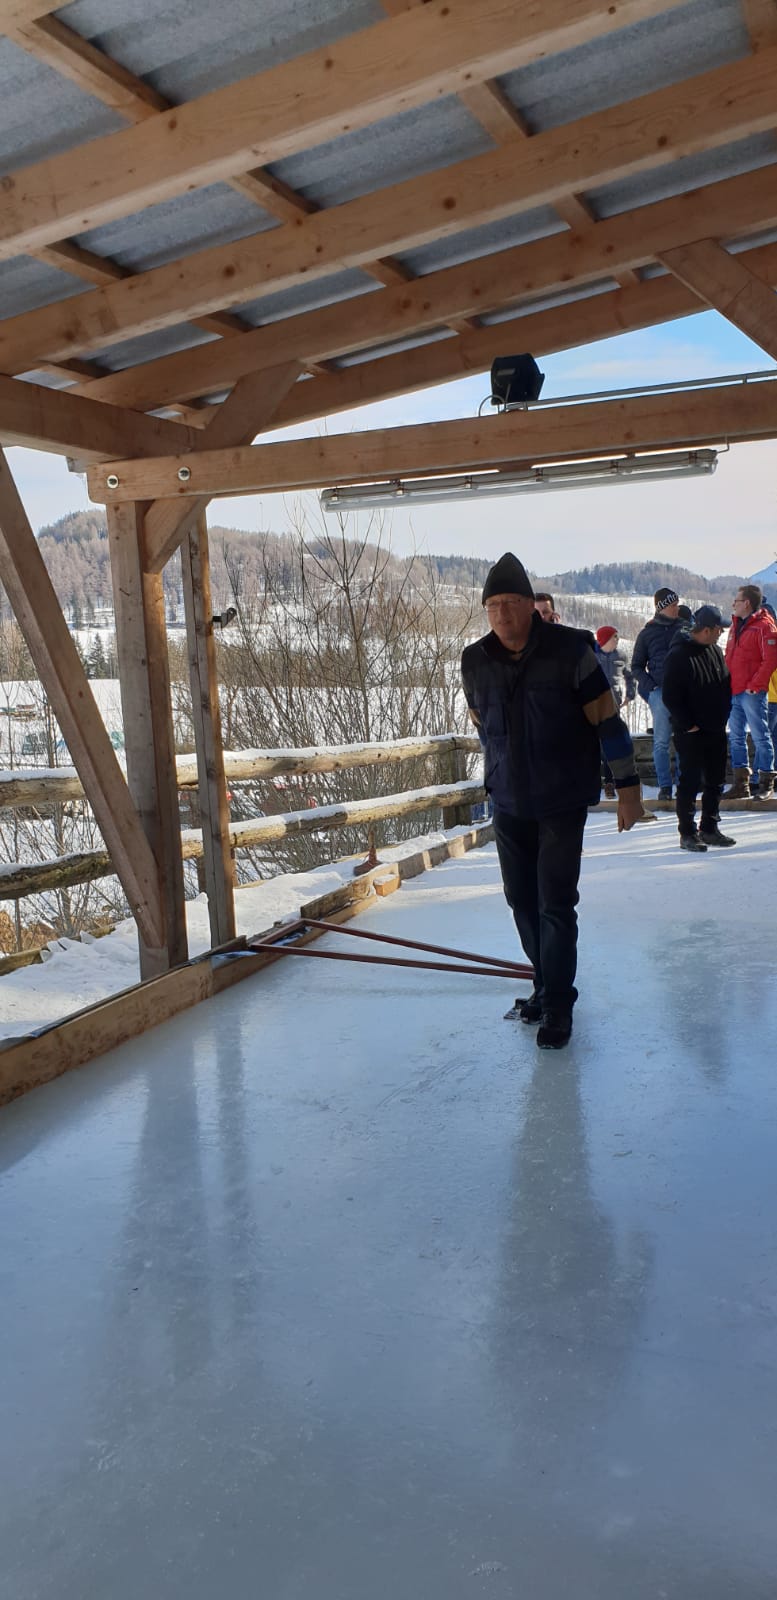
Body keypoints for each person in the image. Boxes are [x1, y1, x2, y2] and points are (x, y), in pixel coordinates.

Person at [461, 553, 642, 1051]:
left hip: (561, 798)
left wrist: (628, 790)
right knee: (521, 900)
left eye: (511, 602)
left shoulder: (570, 651)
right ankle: (544, 984)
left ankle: (559, 1004)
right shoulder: (474, 660)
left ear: (530, 605)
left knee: (555, 903)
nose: (502, 613)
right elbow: (483, 727)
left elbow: (607, 720)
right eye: (493, 605)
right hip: (508, 801)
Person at [661, 605, 735, 852]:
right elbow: (671, 696)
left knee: (716, 780)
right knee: (690, 782)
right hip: (691, 732)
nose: (721, 633)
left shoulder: (714, 650)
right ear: (706, 630)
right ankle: (688, 832)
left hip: (716, 727)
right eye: (718, 629)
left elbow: (724, 683)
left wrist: (723, 714)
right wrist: (688, 724)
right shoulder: (679, 655)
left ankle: (709, 828)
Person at [723, 583, 777, 799]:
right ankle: (741, 783)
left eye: (736, 601)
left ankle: (766, 782)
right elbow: (730, 656)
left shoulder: (765, 626)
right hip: (734, 689)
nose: (733, 604)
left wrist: (756, 685)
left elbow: (771, 659)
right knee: (736, 737)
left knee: (760, 735)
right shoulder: (735, 626)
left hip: (752, 693)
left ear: (746, 603)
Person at [631, 588, 685, 800]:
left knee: (683, 741)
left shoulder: (684, 629)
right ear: (661, 607)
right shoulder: (647, 634)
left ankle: (683, 784)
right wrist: (652, 688)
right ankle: (665, 787)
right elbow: (636, 666)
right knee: (661, 742)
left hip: (682, 693)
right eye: (673, 605)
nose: (677, 608)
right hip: (660, 693)